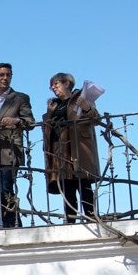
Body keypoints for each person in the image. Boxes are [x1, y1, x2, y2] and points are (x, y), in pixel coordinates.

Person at [0, 62, 35, 228]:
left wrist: (16, 121)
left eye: (8, 75)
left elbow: (30, 122)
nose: (5, 78)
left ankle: (13, 225)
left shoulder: (20, 98)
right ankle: (7, 223)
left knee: (7, 190)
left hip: (9, 151)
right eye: (1, 75)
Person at [42, 72, 100, 223]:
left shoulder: (80, 98)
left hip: (77, 146)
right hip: (59, 148)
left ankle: (90, 215)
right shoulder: (53, 104)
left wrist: (86, 107)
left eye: (56, 84)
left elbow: (95, 118)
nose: (53, 88)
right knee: (66, 182)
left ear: (67, 83)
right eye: (51, 86)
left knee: (82, 181)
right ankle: (70, 218)